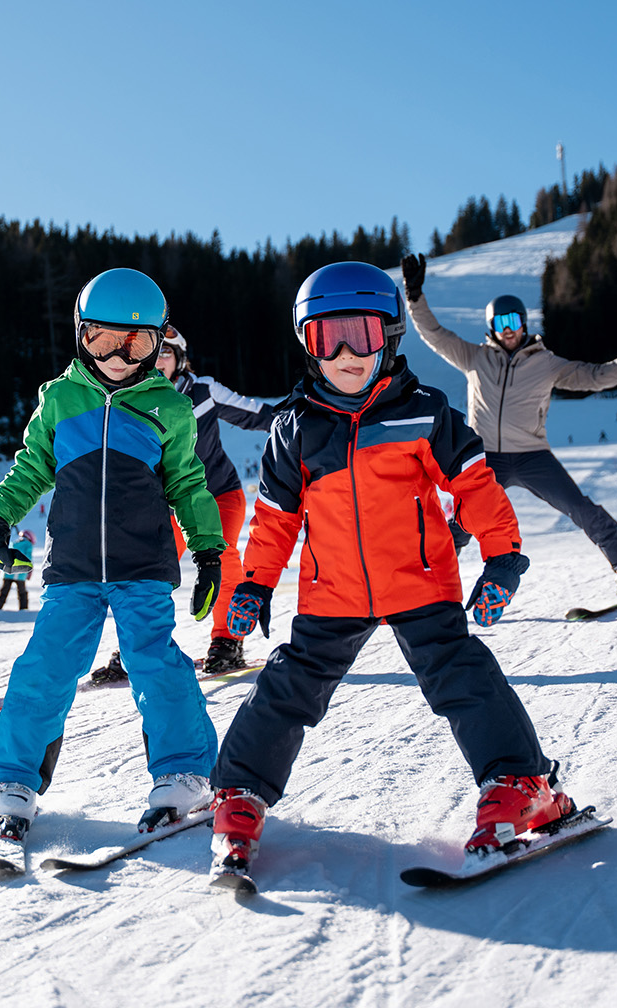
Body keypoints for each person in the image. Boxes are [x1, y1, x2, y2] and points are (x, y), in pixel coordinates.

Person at [208, 261, 582, 886]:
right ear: (309, 344)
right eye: (331, 338)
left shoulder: (425, 412)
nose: (350, 352)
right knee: (289, 687)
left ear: (391, 336)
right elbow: (275, 520)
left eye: (364, 333)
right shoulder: (294, 429)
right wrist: (255, 584)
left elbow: (474, 487)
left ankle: (524, 783)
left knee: (461, 675)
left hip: (420, 581)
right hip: (335, 594)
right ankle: (239, 793)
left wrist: (502, 556)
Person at [0, 267, 225, 852]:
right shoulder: (60, 399)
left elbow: (188, 484)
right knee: (44, 668)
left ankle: (184, 774)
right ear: (80, 335)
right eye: (102, 338)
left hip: (141, 566)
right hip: (75, 567)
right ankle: (14, 783)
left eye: (136, 342)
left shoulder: (169, 407)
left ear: (159, 342)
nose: (118, 355)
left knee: (155, 664)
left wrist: (209, 550)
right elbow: (31, 467)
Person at [400, 253, 617, 601]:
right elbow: (433, 333)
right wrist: (414, 294)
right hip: (485, 459)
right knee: (461, 524)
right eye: (500, 322)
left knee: (582, 508)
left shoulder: (547, 364)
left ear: (524, 323)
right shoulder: (474, 357)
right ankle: (423, 589)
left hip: (532, 456)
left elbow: (595, 376)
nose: (507, 328)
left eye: (513, 320)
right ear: (492, 328)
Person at [91, 322, 277, 682]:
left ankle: (228, 641)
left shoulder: (203, 391)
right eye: (151, 351)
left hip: (219, 493)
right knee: (148, 568)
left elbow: (257, 414)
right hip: (169, 503)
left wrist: (302, 414)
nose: (158, 360)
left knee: (221, 555)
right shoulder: (129, 398)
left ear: (180, 358)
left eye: (166, 353)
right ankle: (135, 646)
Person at [0, 529, 34, 610]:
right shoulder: (28, 545)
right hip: (20, 573)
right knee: (22, 592)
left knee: (4, 592)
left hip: (8, 572)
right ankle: (23, 609)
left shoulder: (14, 543)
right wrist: (29, 572)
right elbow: (29, 558)